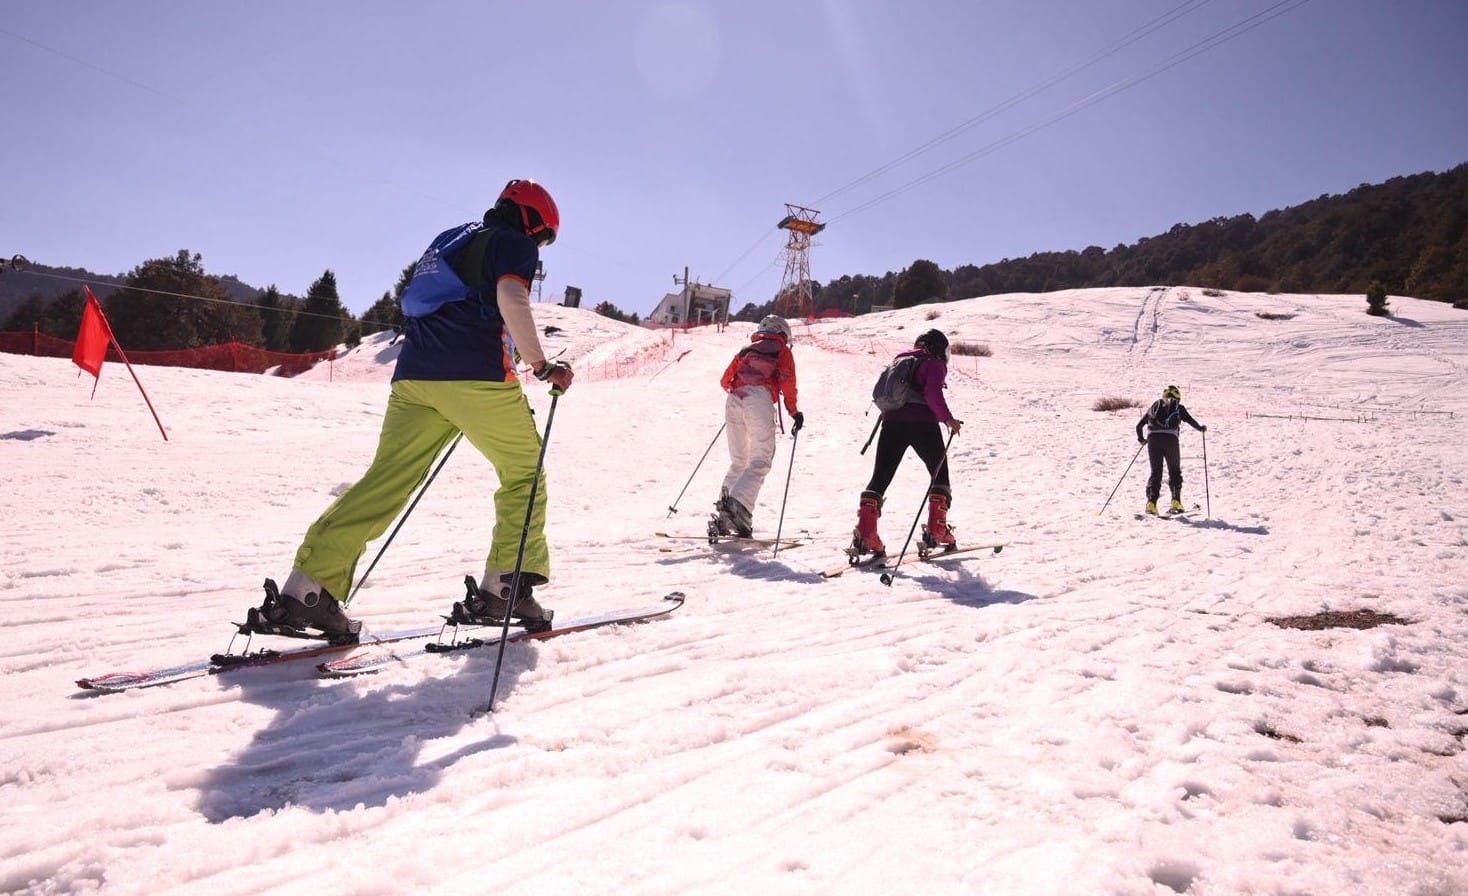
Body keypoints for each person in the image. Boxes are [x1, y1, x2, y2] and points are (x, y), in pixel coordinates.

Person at [242, 179, 574, 642]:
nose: (537, 246)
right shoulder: (512, 241)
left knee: (387, 480)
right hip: (476, 374)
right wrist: (541, 365)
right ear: (533, 221)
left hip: (414, 377)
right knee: (524, 473)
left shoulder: (451, 239)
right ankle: (506, 588)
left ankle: (308, 590)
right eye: (541, 238)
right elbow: (511, 298)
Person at [853, 329, 962, 557]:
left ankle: (866, 534)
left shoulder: (900, 360)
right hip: (923, 424)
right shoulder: (933, 363)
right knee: (940, 476)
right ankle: (937, 530)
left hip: (891, 423)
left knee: (880, 478)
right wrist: (948, 419)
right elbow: (932, 393)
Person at [711, 314, 803, 538]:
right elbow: (787, 380)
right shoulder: (782, 350)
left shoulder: (746, 350)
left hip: (734, 400)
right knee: (761, 460)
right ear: (782, 333)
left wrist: (741, 392)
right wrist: (794, 411)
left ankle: (725, 513)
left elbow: (725, 381)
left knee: (739, 461)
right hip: (759, 400)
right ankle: (739, 507)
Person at [1136, 383, 1206, 515]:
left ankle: (1151, 504)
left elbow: (1139, 426)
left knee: (1155, 472)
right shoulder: (1179, 407)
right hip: (1171, 440)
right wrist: (1201, 428)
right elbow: (1191, 421)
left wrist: (1141, 439)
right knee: (1174, 471)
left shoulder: (1154, 406)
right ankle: (1176, 502)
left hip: (1153, 440)